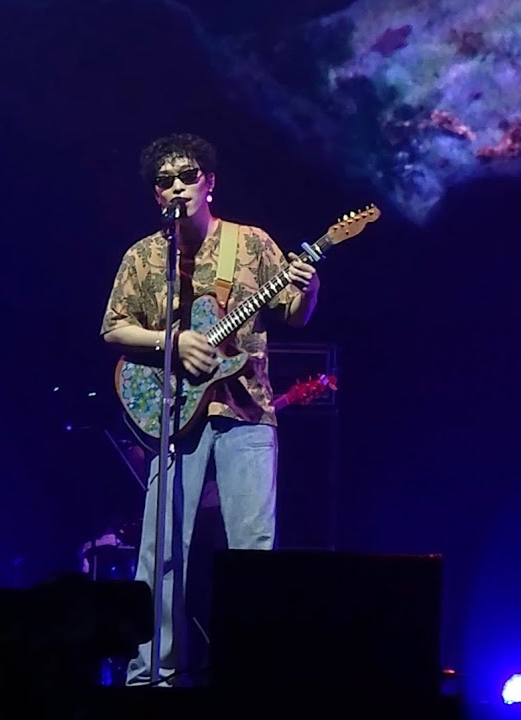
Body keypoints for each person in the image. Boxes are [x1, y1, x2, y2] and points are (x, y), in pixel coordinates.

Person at [100, 133, 320, 685]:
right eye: (165, 180)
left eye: (189, 175)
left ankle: (253, 673)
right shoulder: (145, 256)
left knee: (252, 549)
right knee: (161, 549)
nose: (178, 185)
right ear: (157, 194)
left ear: (210, 181)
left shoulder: (251, 244)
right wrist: (171, 343)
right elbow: (113, 328)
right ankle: (149, 674)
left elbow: (295, 313)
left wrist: (308, 284)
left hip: (246, 412)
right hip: (173, 415)